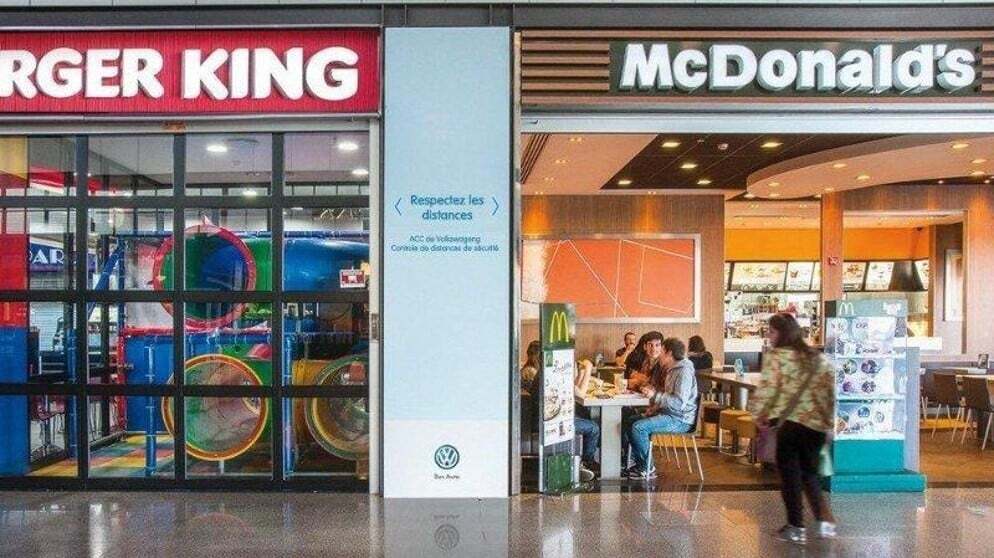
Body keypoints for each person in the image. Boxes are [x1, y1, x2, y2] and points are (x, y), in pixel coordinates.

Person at [750, 313, 837, 545]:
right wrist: (829, 423)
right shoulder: (818, 358)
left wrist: (758, 414)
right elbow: (830, 392)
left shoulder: (778, 357)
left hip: (791, 424)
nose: (769, 337)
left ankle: (796, 526)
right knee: (809, 473)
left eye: (771, 332)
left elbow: (767, 389)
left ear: (782, 333)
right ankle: (824, 523)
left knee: (790, 476)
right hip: (817, 425)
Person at [623, 336, 699, 480]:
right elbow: (667, 397)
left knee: (638, 428)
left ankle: (647, 468)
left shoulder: (683, 372)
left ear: (669, 353)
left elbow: (679, 403)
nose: (659, 354)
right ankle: (635, 460)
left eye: (662, 351)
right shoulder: (673, 369)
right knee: (630, 420)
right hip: (669, 414)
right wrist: (654, 406)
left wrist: (655, 396)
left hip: (680, 419)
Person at [573, 360, 600, 481]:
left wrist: (581, 372)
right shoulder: (558, 376)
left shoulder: (552, 373)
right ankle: (587, 462)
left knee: (586, 416)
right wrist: (588, 370)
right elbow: (581, 394)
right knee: (594, 428)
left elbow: (575, 388)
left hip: (557, 418)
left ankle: (584, 461)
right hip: (558, 422)